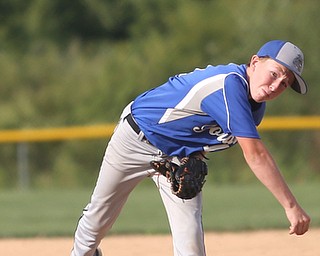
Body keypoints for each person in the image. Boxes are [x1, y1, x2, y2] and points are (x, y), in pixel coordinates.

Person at [71, 40, 311, 256]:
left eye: (285, 83)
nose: (276, 85)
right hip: (136, 139)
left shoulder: (255, 108)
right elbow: (255, 155)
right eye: (275, 74)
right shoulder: (228, 85)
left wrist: (195, 156)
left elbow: (203, 136)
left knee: (191, 242)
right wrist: (291, 207)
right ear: (255, 62)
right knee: (99, 218)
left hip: (176, 157)